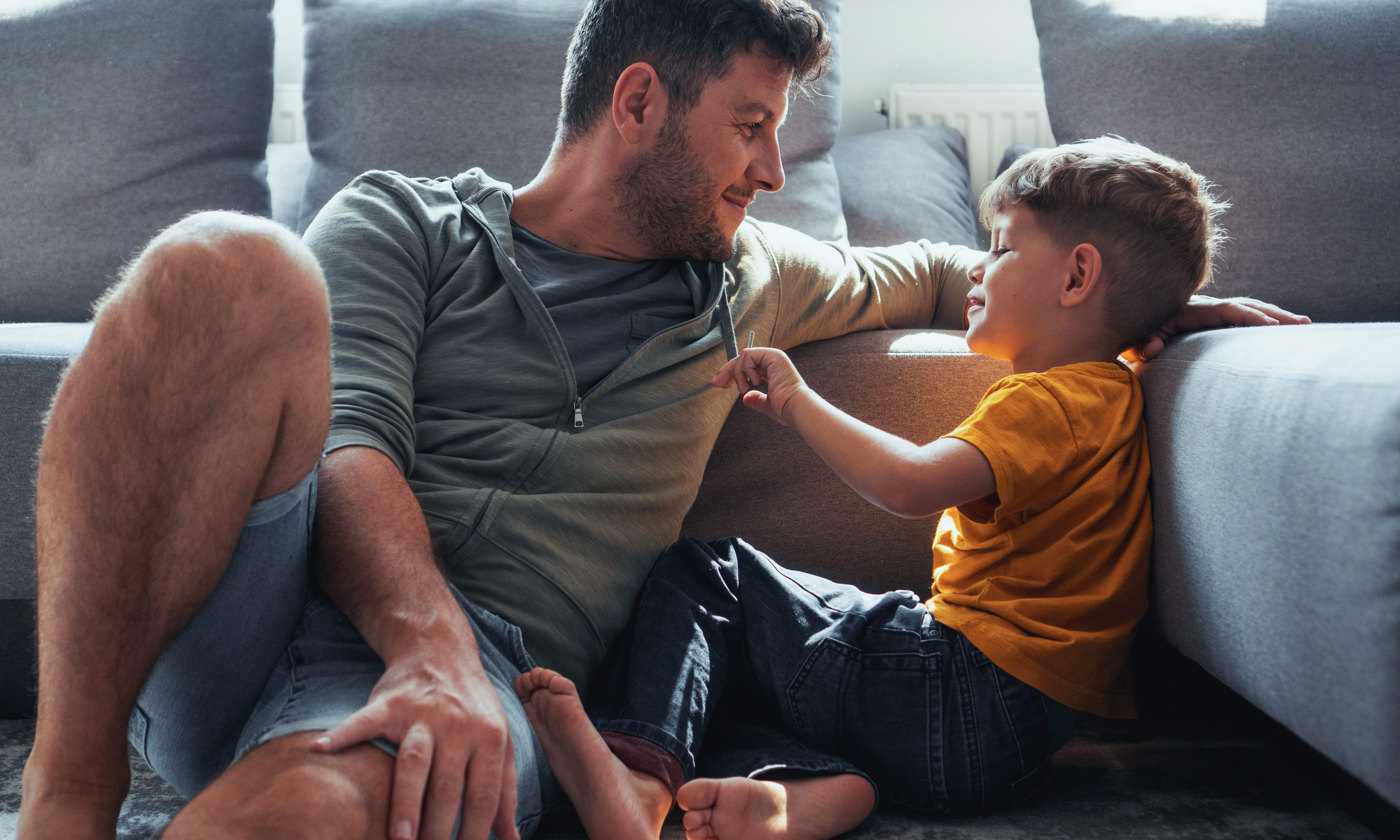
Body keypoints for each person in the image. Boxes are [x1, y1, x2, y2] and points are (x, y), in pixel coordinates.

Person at [16, 0, 1302, 835]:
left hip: (490, 675)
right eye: (748, 127)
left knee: (311, 810)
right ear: (636, 105)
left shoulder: (752, 275)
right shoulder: (405, 221)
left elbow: (934, 277)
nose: (766, 167)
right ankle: (66, 797)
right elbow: (350, 436)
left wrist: (1149, 308)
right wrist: (424, 642)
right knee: (225, 259)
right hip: (269, 602)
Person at [511, 136, 1263, 840]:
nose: (977, 267)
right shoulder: (1116, 388)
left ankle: (636, 773)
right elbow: (1122, 325)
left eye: (1001, 250)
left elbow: (908, 483)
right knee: (772, 657)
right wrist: (1163, 310)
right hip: (1018, 744)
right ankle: (813, 792)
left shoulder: (1048, 401)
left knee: (710, 575)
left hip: (958, 691)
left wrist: (799, 402)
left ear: (1077, 276)